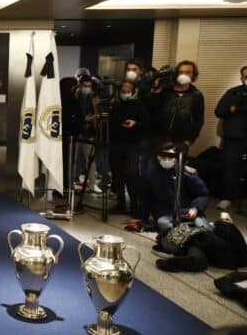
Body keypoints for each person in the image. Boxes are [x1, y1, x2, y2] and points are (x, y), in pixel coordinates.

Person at [143, 142, 212, 234]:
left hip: (189, 211)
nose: (167, 160)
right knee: (165, 226)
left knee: (203, 228)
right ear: (157, 157)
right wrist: (143, 218)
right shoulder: (150, 174)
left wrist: (195, 208)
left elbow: (203, 194)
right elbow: (146, 198)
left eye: (170, 157)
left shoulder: (187, 173)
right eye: (163, 157)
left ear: (176, 158)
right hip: (166, 213)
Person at [108, 80, 149, 214]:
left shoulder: (138, 105)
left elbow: (146, 123)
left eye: (127, 92)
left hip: (132, 144)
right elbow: (111, 123)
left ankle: (134, 205)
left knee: (131, 174)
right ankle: (120, 204)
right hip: (115, 143)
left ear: (133, 92)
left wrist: (135, 123)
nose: (125, 94)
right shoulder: (115, 105)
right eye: (123, 92)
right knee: (117, 175)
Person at [149, 60, 205, 150]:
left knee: (177, 164)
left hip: (180, 141)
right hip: (159, 137)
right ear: (176, 74)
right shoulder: (165, 91)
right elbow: (152, 110)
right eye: (181, 72)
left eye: (188, 72)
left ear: (193, 75)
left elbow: (199, 120)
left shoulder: (196, 95)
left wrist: (189, 140)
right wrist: (155, 92)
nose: (184, 75)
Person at [214, 65, 247, 210]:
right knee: (230, 169)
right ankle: (227, 197)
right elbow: (219, 111)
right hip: (234, 138)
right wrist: (231, 109)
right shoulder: (233, 93)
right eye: (246, 76)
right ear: (241, 78)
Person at [72, 75, 101, 193]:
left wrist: (95, 118)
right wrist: (84, 119)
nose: (87, 88)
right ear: (80, 85)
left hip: (89, 132)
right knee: (72, 159)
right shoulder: (74, 95)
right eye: (85, 86)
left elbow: (97, 112)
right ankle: (70, 183)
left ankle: (92, 184)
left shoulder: (94, 97)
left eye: (89, 86)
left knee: (90, 159)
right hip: (76, 131)